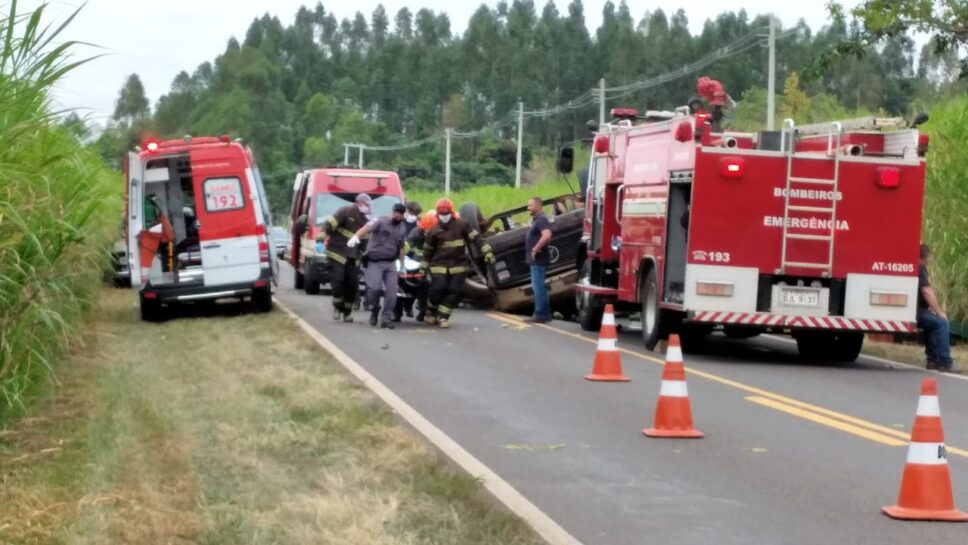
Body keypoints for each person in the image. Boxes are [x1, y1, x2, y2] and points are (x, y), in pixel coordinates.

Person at [421, 198, 495, 329]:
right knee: (438, 289)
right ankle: (430, 311)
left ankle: (443, 317)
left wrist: (487, 251)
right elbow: (427, 251)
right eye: (441, 213)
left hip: (458, 266)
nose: (444, 216)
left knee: (454, 291)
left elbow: (476, 239)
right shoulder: (433, 230)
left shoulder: (462, 225)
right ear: (438, 214)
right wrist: (423, 268)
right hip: (439, 265)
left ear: (451, 211)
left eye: (446, 212)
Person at [351, 203, 409, 329]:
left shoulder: (402, 227)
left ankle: (386, 318)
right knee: (373, 289)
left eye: (400, 213)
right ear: (392, 212)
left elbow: (401, 247)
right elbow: (367, 227)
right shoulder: (380, 221)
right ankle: (375, 309)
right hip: (374, 262)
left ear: (403, 215)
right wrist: (356, 235)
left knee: (392, 293)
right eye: (396, 212)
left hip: (390, 263)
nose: (397, 215)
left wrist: (402, 265)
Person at [320, 193, 370, 322]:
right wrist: (321, 238)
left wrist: (367, 255)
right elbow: (328, 225)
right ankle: (337, 307)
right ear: (358, 202)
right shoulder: (345, 212)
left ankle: (347, 312)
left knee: (352, 284)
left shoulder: (365, 219)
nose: (367, 207)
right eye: (365, 204)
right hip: (337, 252)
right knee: (338, 282)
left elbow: (365, 241)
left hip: (353, 257)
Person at [917, 244, 959, 373]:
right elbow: (926, 291)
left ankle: (933, 360)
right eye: (927, 258)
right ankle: (944, 361)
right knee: (940, 323)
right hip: (916, 312)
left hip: (914, 310)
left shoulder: (912, 266)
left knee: (931, 322)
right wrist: (940, 312)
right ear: (924, 257)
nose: (928, 261)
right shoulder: (920, 267)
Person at [396, 211, 436, 322]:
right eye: (426, 230)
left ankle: (423, 311)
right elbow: (407, 245)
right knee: (401, 285)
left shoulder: (439, 233)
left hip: (432, 266)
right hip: (414, 265)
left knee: (428, 287)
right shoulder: (416, 232)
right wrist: (400, 254)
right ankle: (397, 312)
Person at [525, 196, 553, 323]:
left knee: (538, 286)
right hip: (537, 259)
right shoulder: (537, 220)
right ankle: (544, 313)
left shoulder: (541, 219)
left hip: (539, 259)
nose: (528, 208)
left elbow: (547, 235)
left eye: (530, 205)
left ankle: (541, 314)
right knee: (539, 286)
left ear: (538, 206)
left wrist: (536, 248)